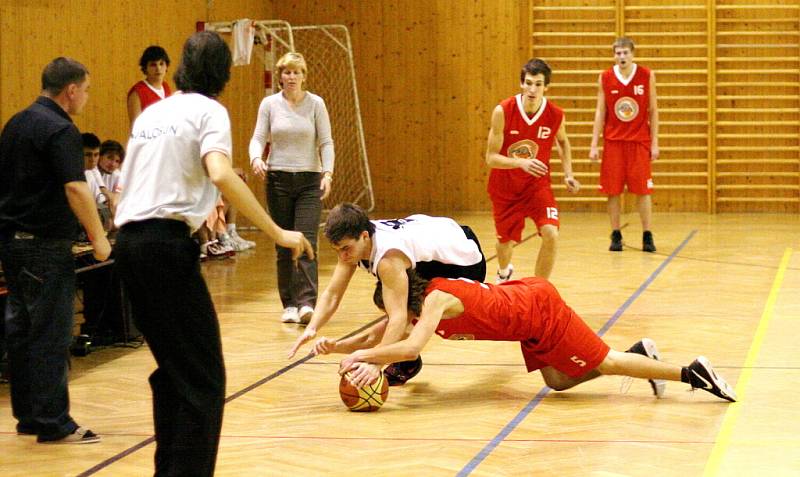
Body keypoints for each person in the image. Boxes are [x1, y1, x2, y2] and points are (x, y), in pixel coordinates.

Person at [114, 32, 314, 476]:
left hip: (128, 245)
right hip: (165, 247)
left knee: (173, 370)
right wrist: (279, 232)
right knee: (204, 377)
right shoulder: (210, 111)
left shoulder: (155, 113)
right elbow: (220, 172)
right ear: (222, 72)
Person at [324, 270, 736, 404]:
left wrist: (369, 359)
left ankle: (692, 373)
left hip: (539, 311)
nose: (392, 318)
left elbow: (410, 347)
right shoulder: (421, 303)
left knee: (606, 363)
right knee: (556, 381)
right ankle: (640, 354)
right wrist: (344, 349)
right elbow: (384, 331)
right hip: (523, 311)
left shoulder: (435, 301)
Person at [0, 57, 111, 444]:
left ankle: (29, 414)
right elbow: (76, 188)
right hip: (45, 248)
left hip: (13, 245)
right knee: (50, 332)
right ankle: (53, 420)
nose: (86, 97)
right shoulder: (61, 129)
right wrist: (99, 239)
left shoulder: (15, 123)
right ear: (71, 91)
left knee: (22, 330)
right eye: (86, 89)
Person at [288, 202, 486, 386]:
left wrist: (376, 363)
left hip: (463, 263)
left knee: (407, 313)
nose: (343, 256)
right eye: (337, 250)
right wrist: (312, 328)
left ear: (364, 236)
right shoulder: (355, 239)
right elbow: (332, 294)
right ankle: (400, 357)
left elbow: (398, 319)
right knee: (389, 301)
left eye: (346, 249)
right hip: (445, 235)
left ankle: (406, 362)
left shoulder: (388, 259)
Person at [249, 52, 334, 324]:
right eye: (286, 72)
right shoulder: (270, 104)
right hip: (278, 180)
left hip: (309, 180)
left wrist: (327, 173)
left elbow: (326, 142)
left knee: (307, 239)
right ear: (280, 77)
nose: (291, 77)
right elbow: (258, 137)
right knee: (284, 242)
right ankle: (289, 303)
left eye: (296, 72)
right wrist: (256, 158)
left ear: (304, 76)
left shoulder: (316, 104)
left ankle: (307, 302)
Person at [486, 58, 579, 283]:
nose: (532, 89)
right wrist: (521, 163)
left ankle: (539, 289)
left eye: (538, 84)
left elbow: (564, 142)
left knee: (551, 234)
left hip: (537, 185)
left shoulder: (555, 114)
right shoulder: (503, 111)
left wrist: (568, 173)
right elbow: (491, 158)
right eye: (528, 83)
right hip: (505, 186)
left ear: (546, 87)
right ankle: (504, 271)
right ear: (521, 84)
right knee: (505, 243)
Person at [589, 37, 659, 253]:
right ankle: (616, 233)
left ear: (633, 54)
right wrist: (594, 144)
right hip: (614, 142)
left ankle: (647, 234)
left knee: (643, 191)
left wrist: (655, 142)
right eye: (618, 53)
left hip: (639, 142)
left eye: (625, 53)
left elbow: (653, 110)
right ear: (614, 55)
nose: (622, 57)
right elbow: (601, 112)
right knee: (612, 191)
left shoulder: (646, 75)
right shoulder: (606, 77)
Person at [127, 45, 172, 126]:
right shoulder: (137, 92)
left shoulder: (166, 87)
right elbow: (136, 128)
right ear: (145, 68)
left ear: (166, 66)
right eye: (153, 65)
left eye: (161, 64)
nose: (158, 68)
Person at [85, 139, 124, 230]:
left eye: (117, 161)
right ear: (100, 156)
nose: (113, 164)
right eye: (109, 158)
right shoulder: (89, 171)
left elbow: (116, 201)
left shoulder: (117, 175)